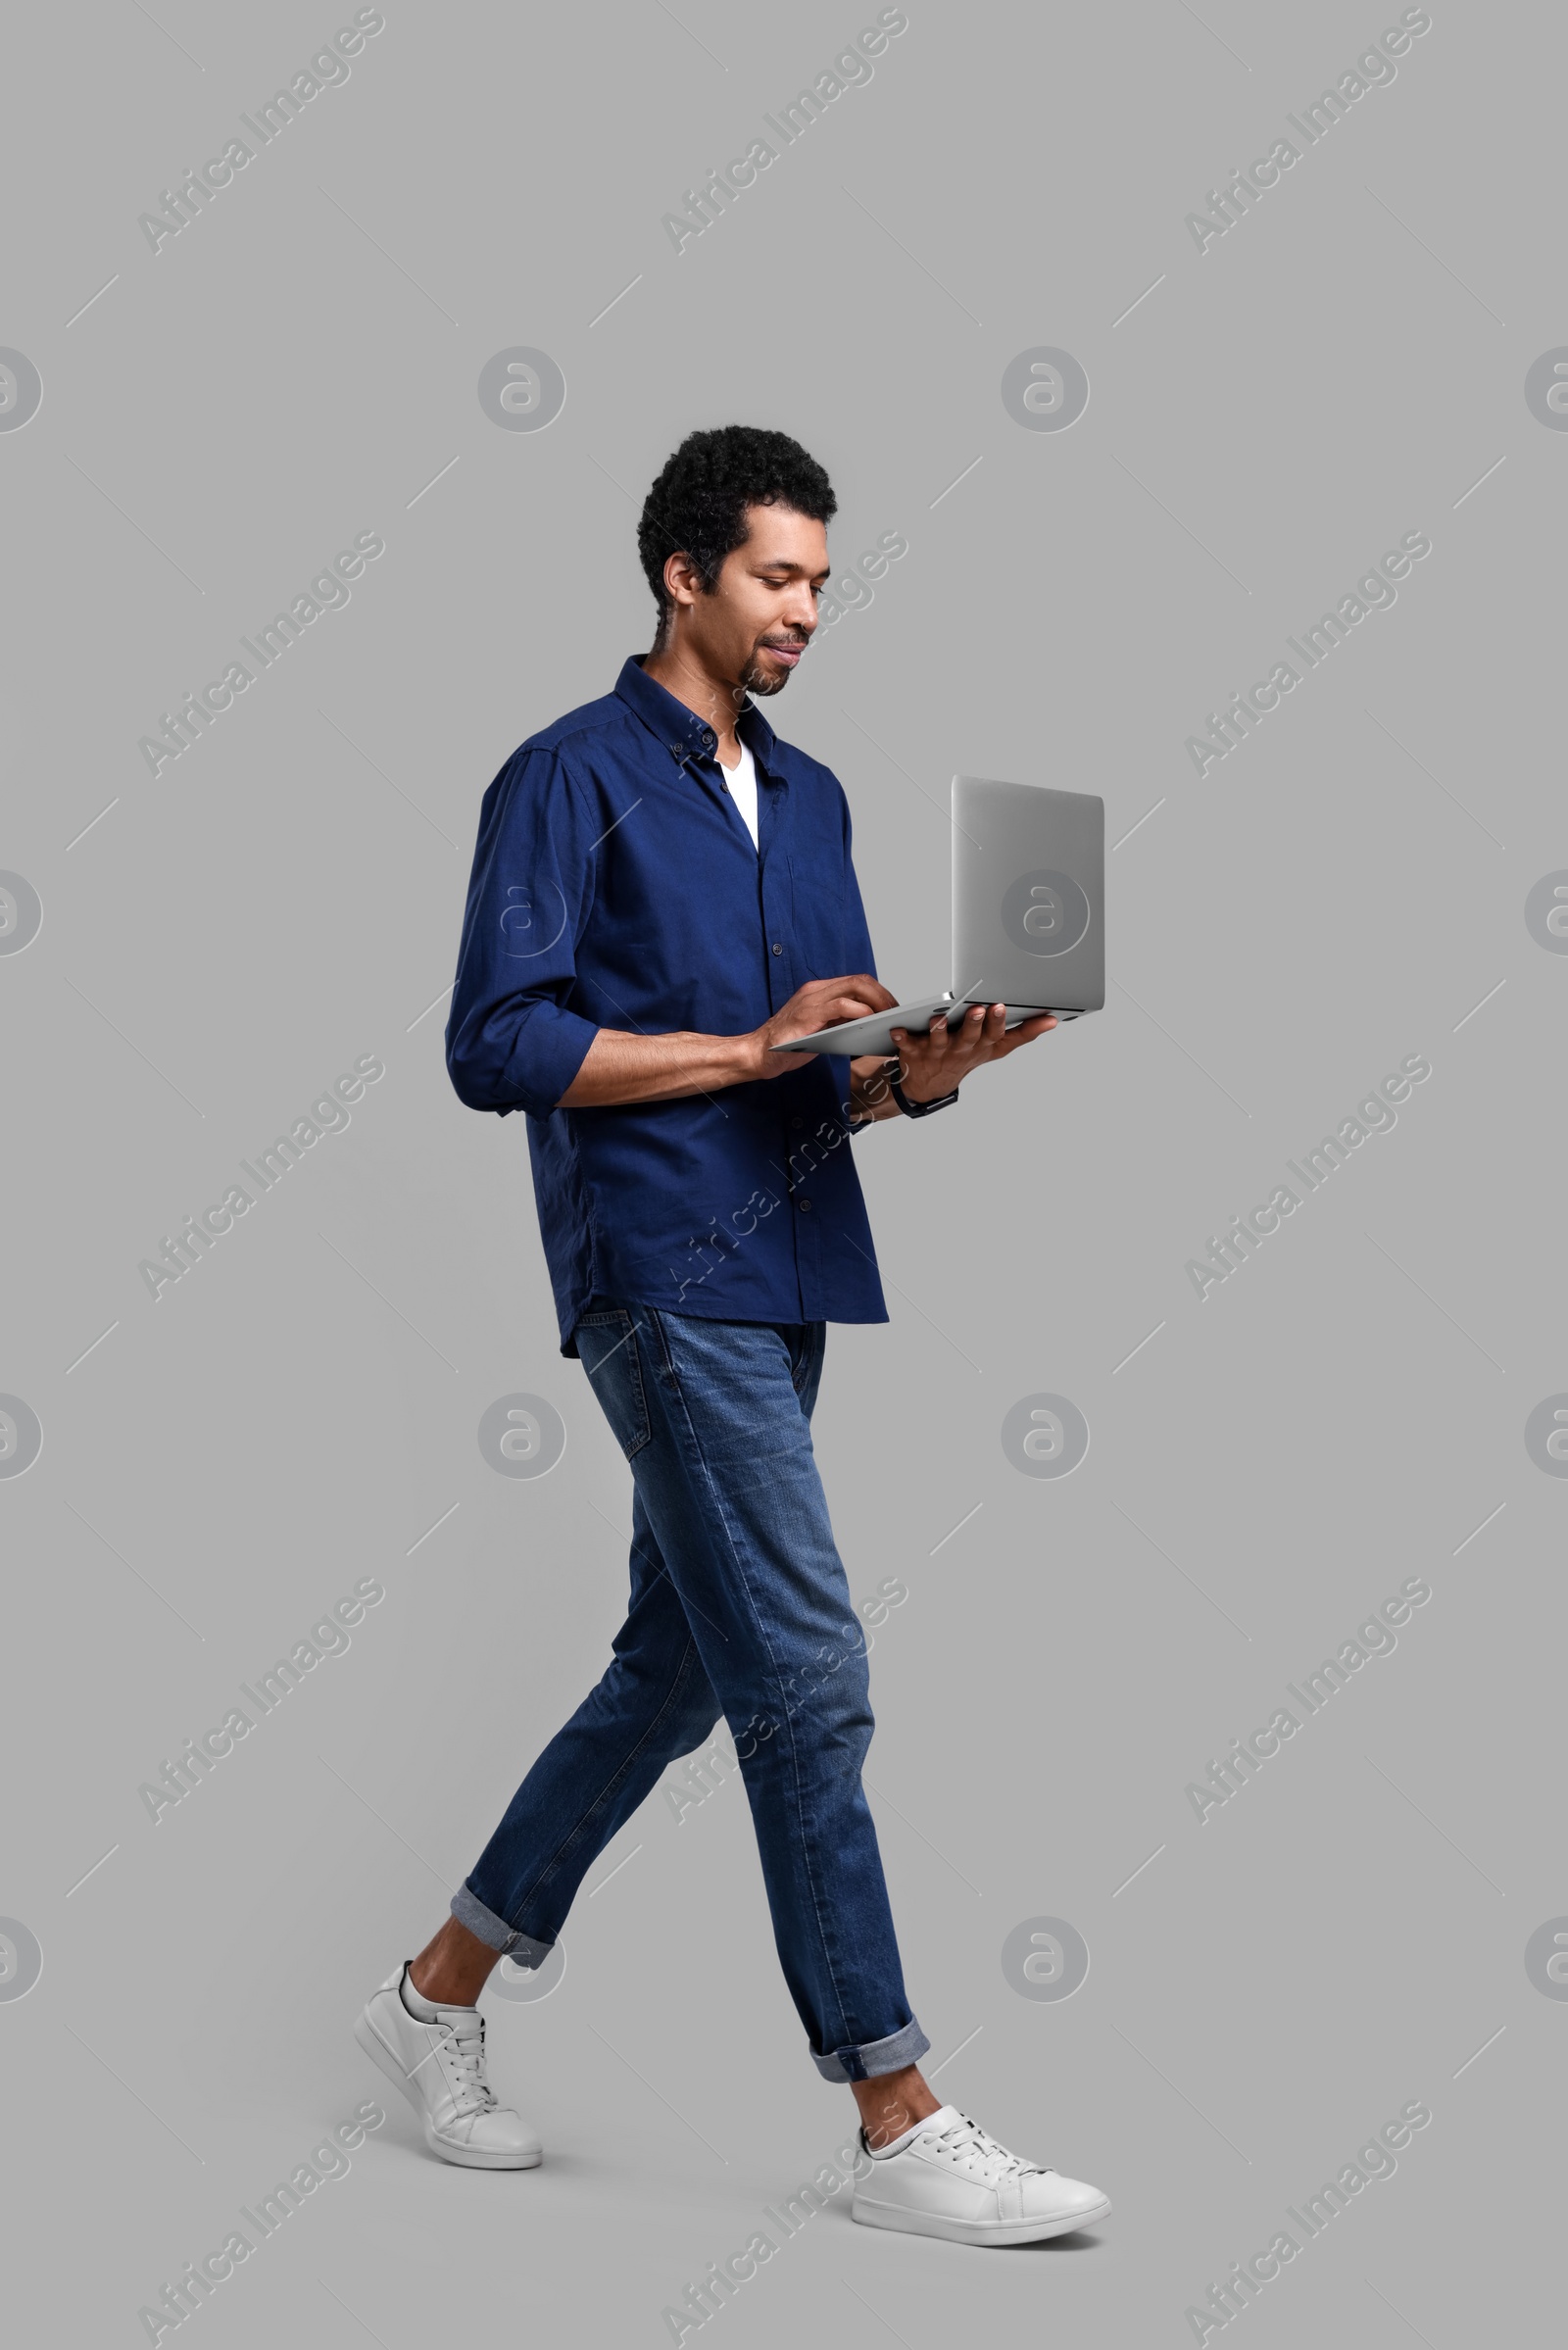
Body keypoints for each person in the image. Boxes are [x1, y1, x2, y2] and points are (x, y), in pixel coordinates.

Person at [353, 424, 1110, 2246]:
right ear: (683, 574)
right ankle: (894, 2109)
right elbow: (496, 1042)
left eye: (823, 585)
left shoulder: (820, 794)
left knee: (675, 1669)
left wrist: (917, 1078)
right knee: (810, 1673)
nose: (805, 611)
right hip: (657, 1262)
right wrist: (751, 1050)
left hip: (787, 1268)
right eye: (779, 577)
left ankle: (431, 1994)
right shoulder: (563, 777)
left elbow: (818, 1071)